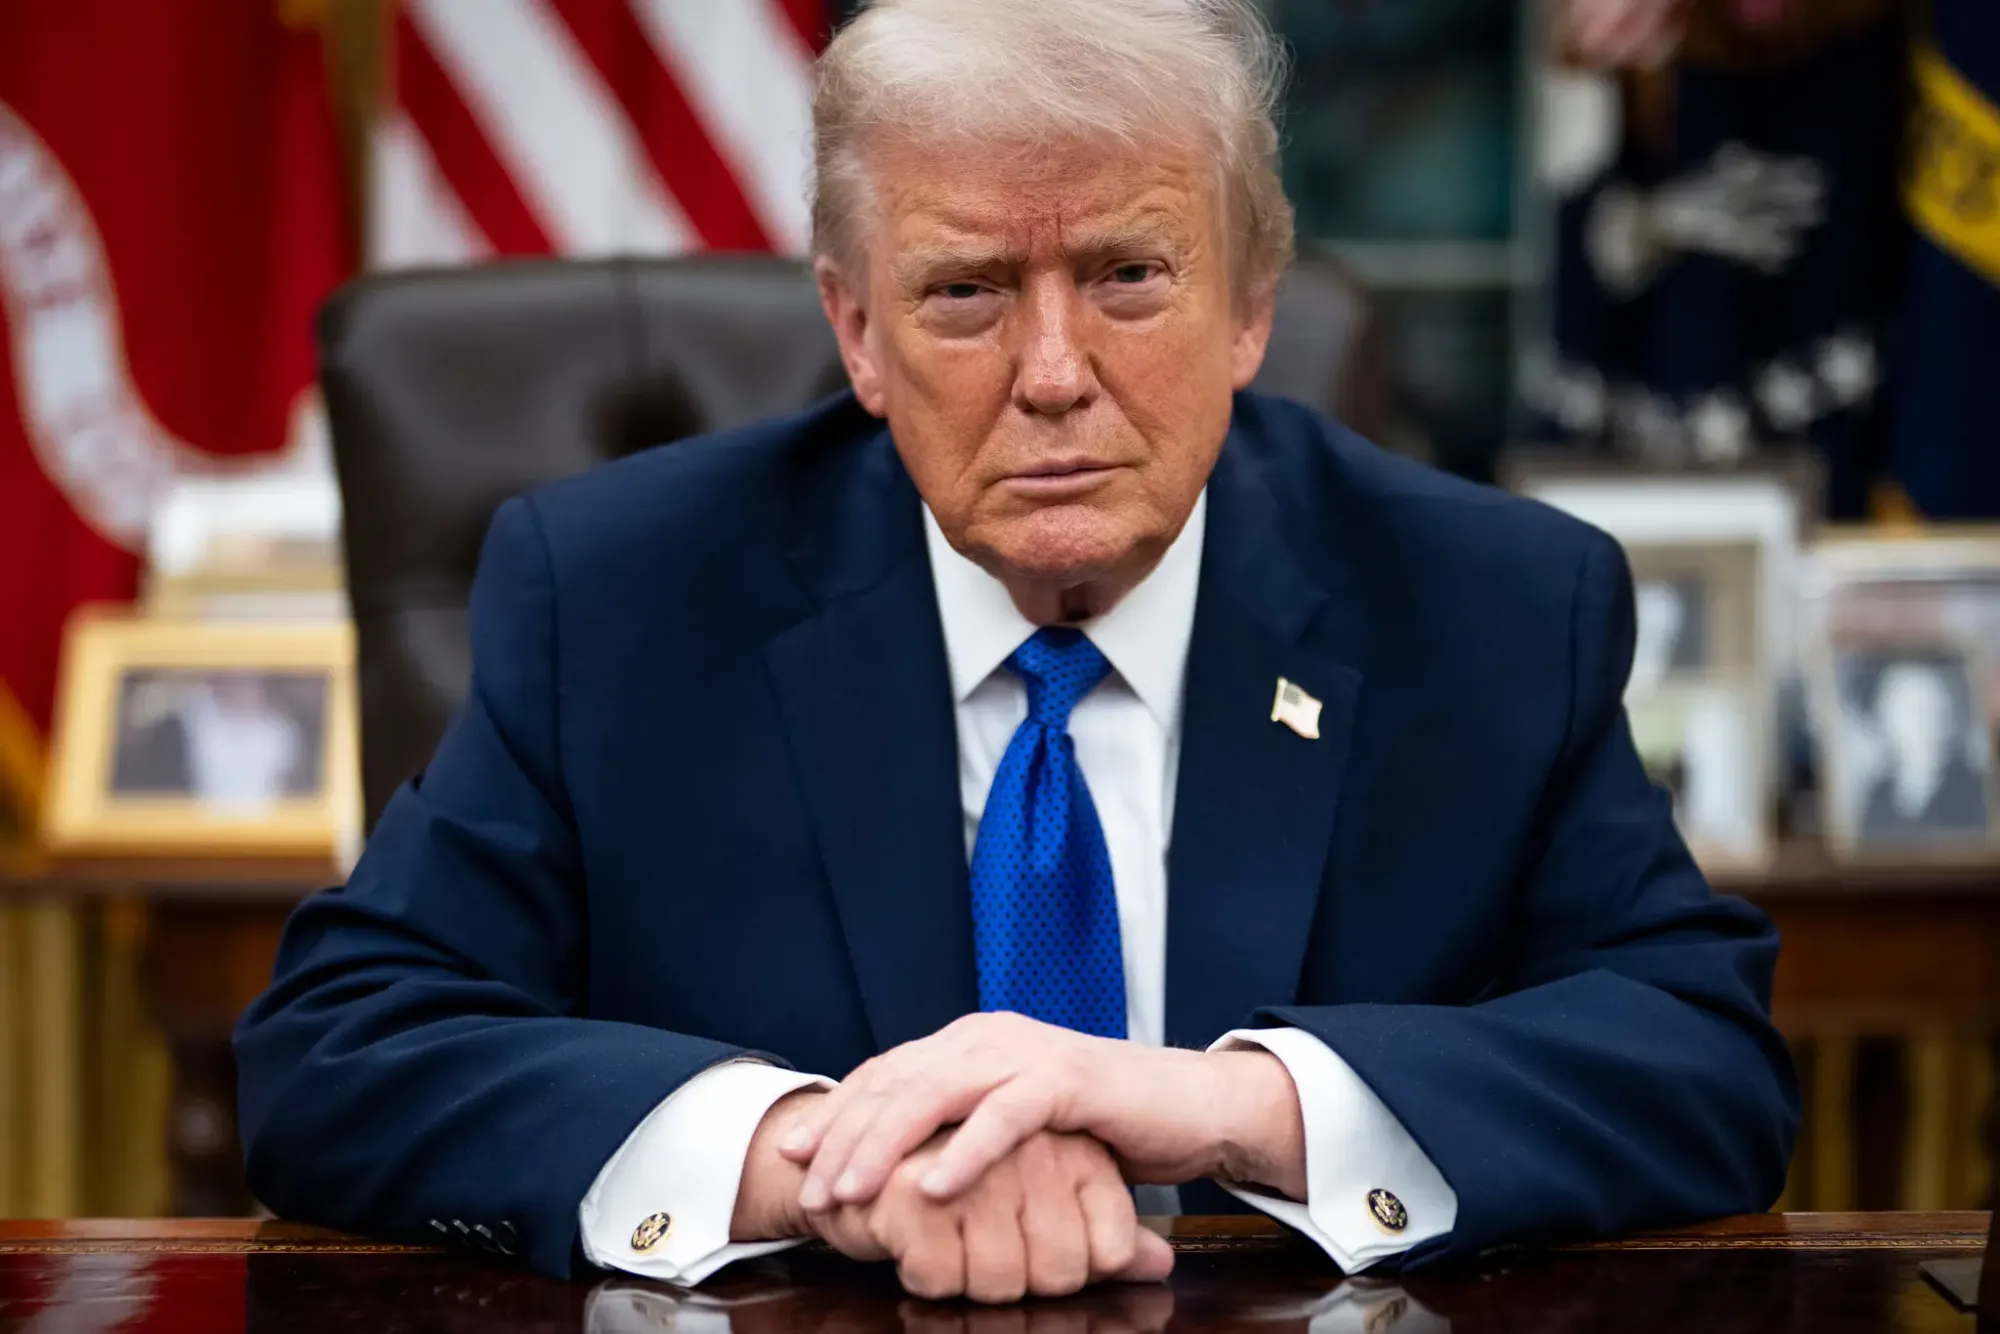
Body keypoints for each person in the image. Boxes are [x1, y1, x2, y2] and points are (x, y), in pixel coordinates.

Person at [233, 0, 1798, 1304]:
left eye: (1128, 274)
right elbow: (337, 1049)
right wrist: (821, 1156)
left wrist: (1233, 1106)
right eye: (967, 291)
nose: (1054, 374)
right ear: (856, 331)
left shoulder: (1494, 603)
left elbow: (1702, 1058)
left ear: (1252, 303)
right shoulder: (626, 596)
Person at [1855, 657, 1992, 843]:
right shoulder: (1879, 796)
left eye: (1936, 711)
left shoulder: (1978, 791)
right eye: (1914, 713)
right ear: (1889, 721)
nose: (1927, 724)